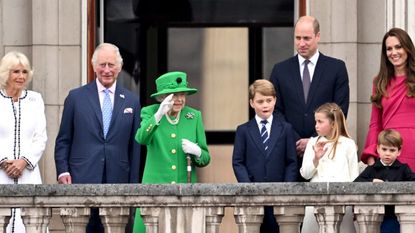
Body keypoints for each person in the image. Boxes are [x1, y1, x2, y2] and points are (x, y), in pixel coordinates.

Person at [54, 43, 141, 233]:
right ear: (94, 66)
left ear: (119, 66)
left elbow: (134, 148)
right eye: (102, 65)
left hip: (118, 181)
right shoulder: (76, 97)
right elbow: (63, 139)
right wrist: (62, 171)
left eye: (111, 65)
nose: (107, 70)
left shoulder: (132, 101)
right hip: (81, 179)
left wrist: (134, 184)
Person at [269, 16, 350, 180]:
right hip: (289, 154)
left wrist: (314, 141)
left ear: (318, 36)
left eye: (306, 38)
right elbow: (275, 111)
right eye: (298, 38)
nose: (301, 43)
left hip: (326, 156)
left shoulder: (336, 68)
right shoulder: (280, 70)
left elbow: (339, 110)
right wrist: (297, 141)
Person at [133, 71, 211, 233]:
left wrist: (197, 152)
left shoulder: (193, 116)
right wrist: (159, 115)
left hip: (185, 193)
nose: (180, 100)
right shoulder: (150, 112)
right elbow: (141, 138)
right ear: (163, 98)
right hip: (154, 191)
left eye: (182, 95)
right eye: (174, 95)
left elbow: (205, 158)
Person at [232, 79, 297, 233]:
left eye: (269, 100)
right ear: (252, 103)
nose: (265, 105)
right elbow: (238, 162)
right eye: (260, 101)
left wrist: (286, 189)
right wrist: (248, 188)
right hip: (253, 197)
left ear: (275, 100)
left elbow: (291, 162)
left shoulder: (286, 129)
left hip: (279, 196)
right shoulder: (243, 130)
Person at [0, 51, 47, 233]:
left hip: (28, 173)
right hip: (2, 174)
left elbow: (40, 137)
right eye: (16, 72)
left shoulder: (35, 100)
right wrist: (4, 161)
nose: (21, 76)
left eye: (25, 72)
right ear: (6, 73)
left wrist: (23, 161)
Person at [361, 28, 415, 172]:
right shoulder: (379, 82)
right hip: (389, 151)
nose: (394, 52)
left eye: (398, 47)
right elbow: (375, 123)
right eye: (389, 49)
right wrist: (372, 153)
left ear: (408, 48)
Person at [300, 102, 359, 233]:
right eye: (316, 121)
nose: (316, 125)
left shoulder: (348, 144)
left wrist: (355, 204)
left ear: (333, 123)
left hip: (343, 202)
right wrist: (316, 158)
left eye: (320, 122)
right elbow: (305, 174)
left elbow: (354, 177)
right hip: (315, 201)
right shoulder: (312, 142)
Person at [355, 129, 415, 233]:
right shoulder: (372, 168)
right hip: (374, 215)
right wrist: (372, 180)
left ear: (399, 151)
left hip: (396, 216)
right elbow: (356, 183)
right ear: (378, 149)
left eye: (392, 150)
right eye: (384, 149)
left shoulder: (403, 169)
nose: (387, 153)